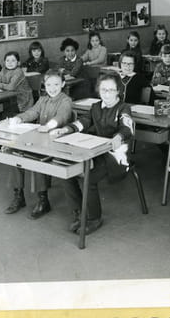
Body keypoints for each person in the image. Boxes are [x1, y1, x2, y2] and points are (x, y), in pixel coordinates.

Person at [51, 73, 134, 235]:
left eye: (111, 90)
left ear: (118, 91)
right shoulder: (96, 107)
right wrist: (66, 129)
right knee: (67, 172)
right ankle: (79, 213)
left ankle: (94, 218)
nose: (107, 94)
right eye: (103, 90)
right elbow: (83, 122)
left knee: (88, 177)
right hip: (96, 152)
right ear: (98, 90)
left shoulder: (124, 108)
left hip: (116, 156)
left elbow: (127, 128)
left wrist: (119, 136)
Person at [4, 70, 74, 218]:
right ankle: (18, 196)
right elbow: (32, 112)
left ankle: (43, 200)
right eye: (49, 85)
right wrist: (19, 118)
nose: (52, 88)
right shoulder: (43, 99)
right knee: (14, 153)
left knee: (36, 157)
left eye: (56, 84)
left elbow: (62, 117)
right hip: (40, 138)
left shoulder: (66, 100)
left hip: (57, 141)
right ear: (44, 85)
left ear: (63, 84)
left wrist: (49, 126)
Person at [0, 51, 34, 116]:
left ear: (18, 62)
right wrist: (5, 86)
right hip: (9, 97)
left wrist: (0, 84)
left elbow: (11, 87)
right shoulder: (4, 70)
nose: (10, 63)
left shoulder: (18, 72)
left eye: (13, 60)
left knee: (1, 109)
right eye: (7, 60)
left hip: (21, 100)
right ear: (4, 62)